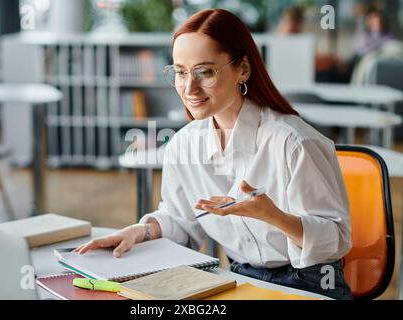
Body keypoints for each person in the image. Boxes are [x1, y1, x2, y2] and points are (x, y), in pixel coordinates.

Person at [75, 9, 352, 300]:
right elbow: (182, 222)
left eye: (204, 71)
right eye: (180, 72)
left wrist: (274, 217)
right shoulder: (183, 145)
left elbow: (337, 239)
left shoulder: (294, 143)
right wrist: (140, 232)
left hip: (309, 282)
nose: (189, 88)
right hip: (239, 278)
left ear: (243, 69)